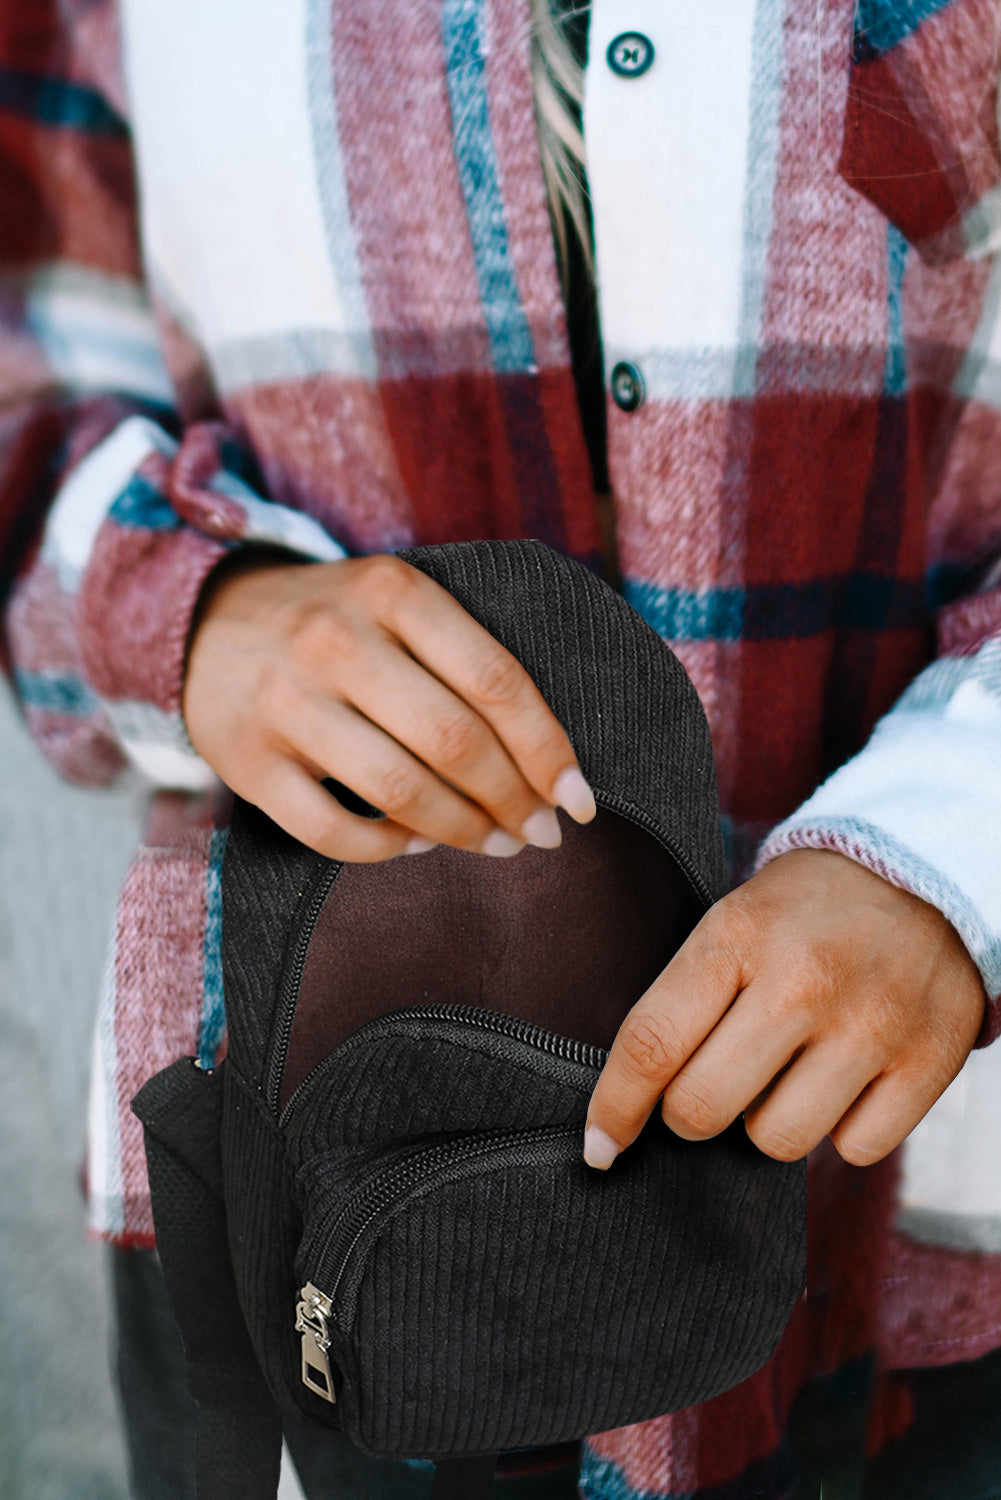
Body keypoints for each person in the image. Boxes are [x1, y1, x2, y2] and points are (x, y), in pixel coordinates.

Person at [2, 0, 1000, 1496]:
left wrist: (955, 844)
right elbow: (29, 366)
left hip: (911, 1188)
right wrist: (189, 607)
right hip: (316, 1157)